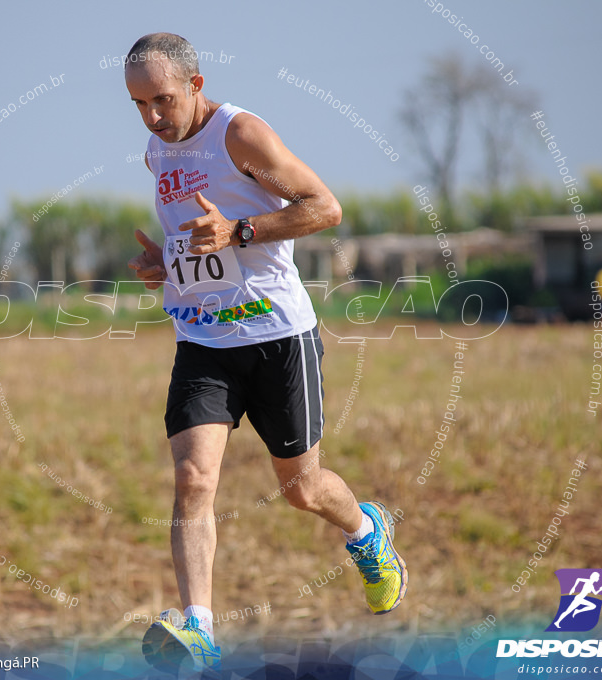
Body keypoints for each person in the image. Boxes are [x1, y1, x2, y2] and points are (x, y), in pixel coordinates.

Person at [124, 33, 407, 673]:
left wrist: (240, 229)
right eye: (138, 104)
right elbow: (193, 245)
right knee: (193, 479)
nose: (151, 117)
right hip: (203, 340)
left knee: (302, 489)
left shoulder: (241, 135)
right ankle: (199, 626)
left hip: (279, 337)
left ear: (195, 86)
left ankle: (367, 532)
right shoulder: (154, 151)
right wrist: (160, 268)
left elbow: (324, 208)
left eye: (161, 100)